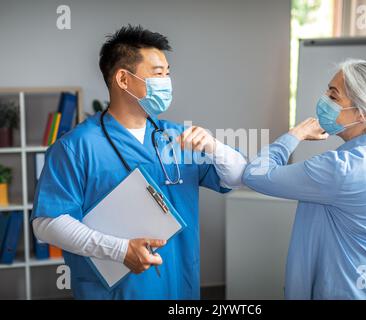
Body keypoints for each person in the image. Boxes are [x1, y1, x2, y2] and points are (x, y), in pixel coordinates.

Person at [31, 25, 246, 299]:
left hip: (178, 284)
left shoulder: (178, 137)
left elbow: (238, 177)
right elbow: (47, 222)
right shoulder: (76, 146)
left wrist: (215, 147)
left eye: (168, 73)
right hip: (118, 289)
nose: (167, 81)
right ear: (123, 79)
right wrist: (120, 249)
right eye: (158, 74)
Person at [242, 59, 366, 299]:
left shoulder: (341, 169)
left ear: (363, 112)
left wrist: (294, 135)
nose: (324, 101)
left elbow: (255, 174)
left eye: (334, 96)